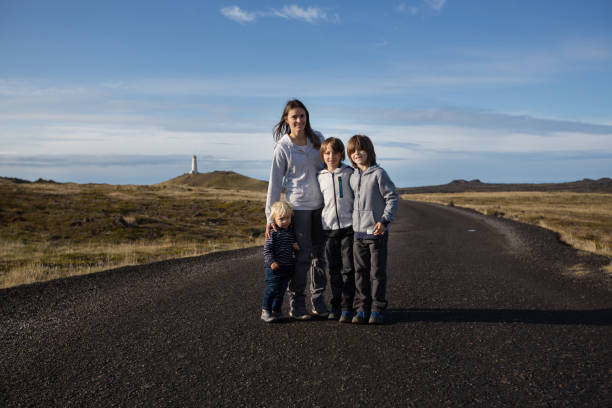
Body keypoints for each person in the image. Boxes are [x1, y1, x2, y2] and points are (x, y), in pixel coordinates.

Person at [265, 99, 328, 320]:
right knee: (302, 257)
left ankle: (319, 302)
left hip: (321, 206)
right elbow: (275, 182)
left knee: (320, 256)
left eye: (302, 115)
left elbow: (330, 165)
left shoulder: (317, 139)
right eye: (294, 116)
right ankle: (297, 303)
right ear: (286, 120)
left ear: (307, 117)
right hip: (299, 207)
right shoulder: (283, 147)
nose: (299, 120)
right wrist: (269, 218)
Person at [347, 135, 399, 325]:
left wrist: (384, 221)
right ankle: (362, 307)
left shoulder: (379, 173)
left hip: (376, 233)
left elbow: (392, 197)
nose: (356, 154)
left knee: (376, 273)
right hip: (358, 234)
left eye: (360, 150)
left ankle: (377, 308)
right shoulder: (352, 176)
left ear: (369, 151)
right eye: (352, 151)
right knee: (359, 272)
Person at [317, 137, 356, 323]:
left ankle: (348, 306)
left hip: (349, 228)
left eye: (334, 153)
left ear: (341, 154)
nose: (331, 156)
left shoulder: (350, 173)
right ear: (323, 156)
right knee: (333, 269)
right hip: (329, 230)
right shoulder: (320, 176)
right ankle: (335, 305)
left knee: (348, 269)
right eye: (327, 153)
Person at [261, 201, 300, 323]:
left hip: (286, 267)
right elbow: (267, 250)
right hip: (273, 268)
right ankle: (265, 311)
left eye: (287, 218)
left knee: (281, 291)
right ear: (274, 219)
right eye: (281, 219)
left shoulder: (290, 232)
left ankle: (276, 311)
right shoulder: (273, 232)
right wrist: (271, 262)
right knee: (272, 289)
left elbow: (292, 243)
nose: (285, 221)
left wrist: (295, 245)